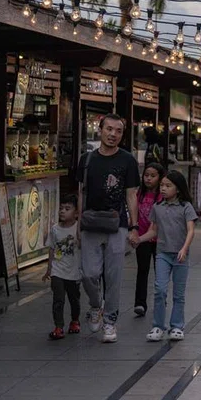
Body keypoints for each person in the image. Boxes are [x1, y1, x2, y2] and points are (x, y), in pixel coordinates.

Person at [77, 113, 140, 344]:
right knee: (88, 274)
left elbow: (131, 194)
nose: (113, 134)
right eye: (109, 129)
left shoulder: (127, 161)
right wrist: (77, 225)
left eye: (118, 131)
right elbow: (81, 192)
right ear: (100, 130)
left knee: (113, 277)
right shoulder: (86, 159)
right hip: (90, 223)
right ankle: (96, 306)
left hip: (117, 225)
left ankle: (110, 321)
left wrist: (134, 227)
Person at [137, 170, 197, 342]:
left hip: (180, 256)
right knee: (160, 290)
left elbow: (191, 230)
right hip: (162, 253)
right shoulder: (158, 207)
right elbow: (153, 231)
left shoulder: (186, 207)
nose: (163, 188)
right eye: (162, 185)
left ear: (178, 189)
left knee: (178, 294)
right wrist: (138, 239)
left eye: (168, 186)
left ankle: (177, 326)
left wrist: (184, 249)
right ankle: (157, 326)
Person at [44, 194, 81, 340]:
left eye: (67, 208)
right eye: (61, 208)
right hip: (57, 270)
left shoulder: (79, 228)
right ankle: (59, 326)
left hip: (74, 271)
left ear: (76, 213)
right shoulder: (55, 229)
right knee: (58, 299)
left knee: (74, 299)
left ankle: (75, 320)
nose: (62, 211)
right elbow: (52, 249)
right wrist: (49, 269)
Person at [134, 162, 165, 317]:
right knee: (142, 270)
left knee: (160, 272)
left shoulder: (162, 196)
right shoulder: (139, 193)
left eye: (153, 176)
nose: (148, 179)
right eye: (146, 175)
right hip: (142, 238)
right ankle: (140, 303)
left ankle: (161, 301)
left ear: (160, 178)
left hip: (159, 240)